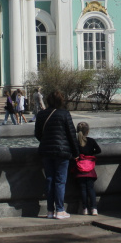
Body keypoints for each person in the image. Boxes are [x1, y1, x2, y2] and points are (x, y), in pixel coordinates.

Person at [35, 90, 80, 219]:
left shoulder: (41, 114)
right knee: (60, 181)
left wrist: (46, 142)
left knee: (49, 179)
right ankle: (60, 210)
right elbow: (72, 134)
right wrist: (76, 152)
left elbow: (38, 134)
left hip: (46, 151)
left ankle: (50, 211)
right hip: (62, 152)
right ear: (61, 101)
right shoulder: (64, 114)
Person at [75, 121, 102, 216]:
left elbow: (74, 153)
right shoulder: (91, 141)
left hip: (79, 168)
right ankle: (94, 208)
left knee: (83, 189)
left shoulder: (76, 141)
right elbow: (99, 150)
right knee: (90, 189)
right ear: (88, 131)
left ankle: (85, 208)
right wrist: (90, 154)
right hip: (89, 168)